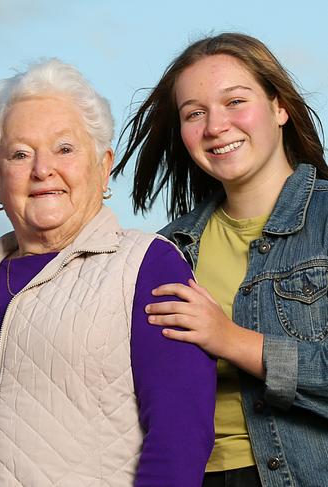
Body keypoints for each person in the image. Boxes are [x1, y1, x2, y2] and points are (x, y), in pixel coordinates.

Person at [0, 59, 216, 486]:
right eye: (20, 154)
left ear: (103, 165)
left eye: (64, 148)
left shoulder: (146, 265)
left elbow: (180, 438)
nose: (43, 169)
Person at [113, 33, 328, 486]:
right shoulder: (164, 249)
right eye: (195, 113)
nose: (215, 126)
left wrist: (230, 340)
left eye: (235, 101)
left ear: (279, 107)